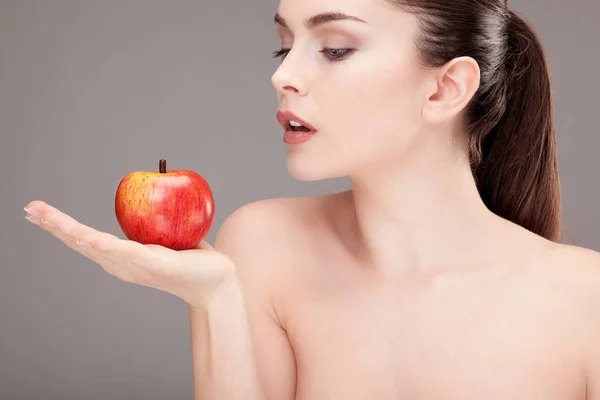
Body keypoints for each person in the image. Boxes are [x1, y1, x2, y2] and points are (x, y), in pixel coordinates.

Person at [23, 0, 600, 398]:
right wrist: (215, 302)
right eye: (284, 47)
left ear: (444, 87)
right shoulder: (260, 247)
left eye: (336, 48)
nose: (283, 77)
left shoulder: (586, 300)